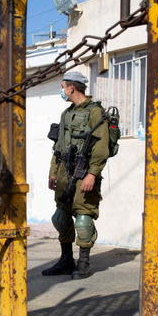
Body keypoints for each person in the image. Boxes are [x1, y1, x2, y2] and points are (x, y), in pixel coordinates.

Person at [42, 71, 110, 279]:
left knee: (83, 219)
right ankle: (66, 260)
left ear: (72, 87)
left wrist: (92, 174)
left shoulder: (95, 112)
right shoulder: (66, 114)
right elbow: (58, 147)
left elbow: (101, 147)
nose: (62, 91)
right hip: (64, 173)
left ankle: (84, 264)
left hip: (84, 173)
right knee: (60, 217)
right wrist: (53, 172)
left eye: (63, 87)